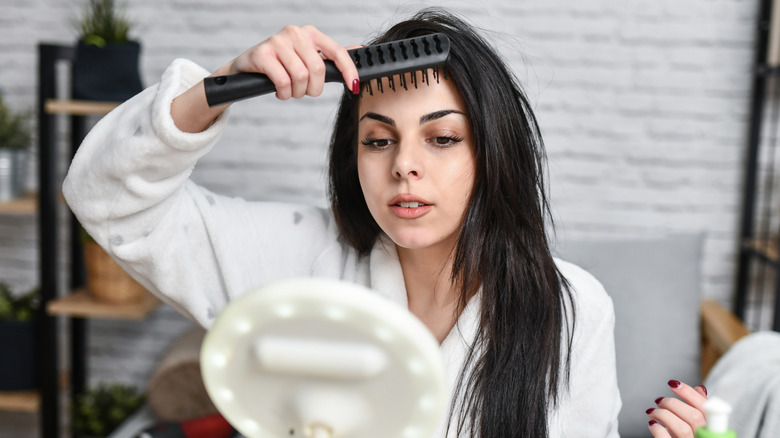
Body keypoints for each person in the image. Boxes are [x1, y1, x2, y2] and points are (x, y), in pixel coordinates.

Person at [62, 7, 704, 438]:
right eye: (378, 140)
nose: (405, 167)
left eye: (442, 138)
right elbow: (107, 197)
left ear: (491, 151)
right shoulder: (291, 259)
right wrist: (223, 83)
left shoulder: (572, 308)